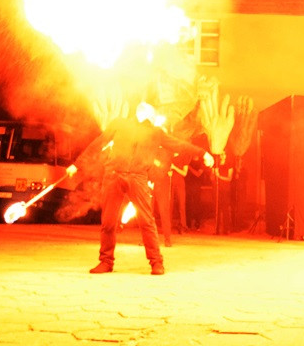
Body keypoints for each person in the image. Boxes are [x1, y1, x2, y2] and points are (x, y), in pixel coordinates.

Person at [68, 102, 213, 275]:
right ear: (146, 114)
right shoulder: (119, 124)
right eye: (153, 115)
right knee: (108, 221)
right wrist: (77, 164)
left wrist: (202, 153)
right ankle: (106, 261)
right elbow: (99, 143)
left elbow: (178, 145)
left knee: (147, 221)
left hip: (138, 178)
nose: (154, 118)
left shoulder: (155, 132)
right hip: (114, 175)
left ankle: (156, 263)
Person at [213, 150, 234, 234]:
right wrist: (214, 173)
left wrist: (219, 176)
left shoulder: (229, 165)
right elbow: (213, 177)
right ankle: (217, 229)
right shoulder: (217, 164)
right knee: (217, 209)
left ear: (226, 155)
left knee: (225, 209)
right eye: (220, 154)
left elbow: (229, 178)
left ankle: (226, 230)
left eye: (223, 154)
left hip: (225, 189)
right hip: (218, 189)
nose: (221, 155)